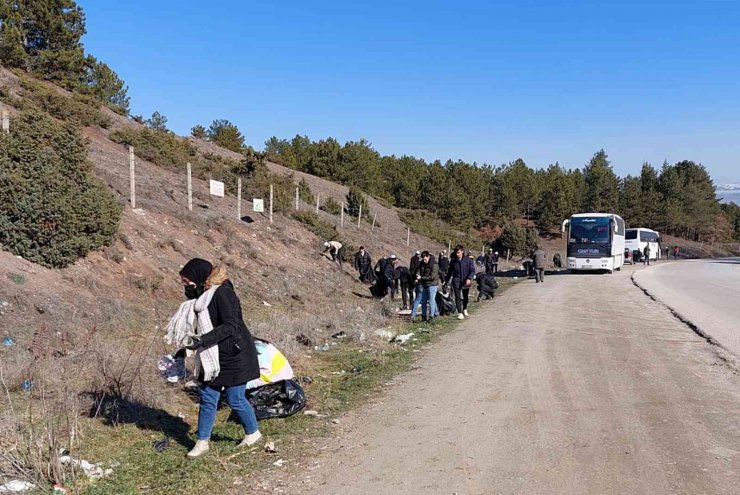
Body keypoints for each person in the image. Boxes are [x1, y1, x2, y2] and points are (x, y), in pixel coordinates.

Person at [172, 258, 262, 458]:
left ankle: (253, 433)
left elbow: (232, 326)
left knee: (235, 398)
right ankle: (202, 442)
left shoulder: (223, 293)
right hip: (212, 356)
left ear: (199, 277)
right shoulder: (202, 296)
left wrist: (202, 340)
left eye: (187, 282)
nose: (186, 286)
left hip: (235, 355)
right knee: (207, 396)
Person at [445, 244, 476, 320]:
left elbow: (472, 271)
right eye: (456, 252)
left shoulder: (468, 260)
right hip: (456, 281)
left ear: (462, 251)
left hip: (466, 281)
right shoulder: (453, 261)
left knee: (465, 297)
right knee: (457, 297)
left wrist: (469, 278)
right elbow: (450, 272)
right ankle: (460, 313)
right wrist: (445, 281)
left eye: (458, 252)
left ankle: (464, 308)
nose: (457, 254)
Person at [411, 251, 438, 322]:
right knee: (423, 301)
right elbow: (419, 271)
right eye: (423, 259)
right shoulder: (421, 264)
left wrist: (421, 277)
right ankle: (424, 316)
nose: (424, 260)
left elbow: (432, 277)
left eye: (425, 259)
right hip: (424, 285)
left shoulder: (434, 265)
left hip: (432, 285)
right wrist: (417, 275)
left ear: (428, 257)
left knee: (431, 301)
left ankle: (432, 317)